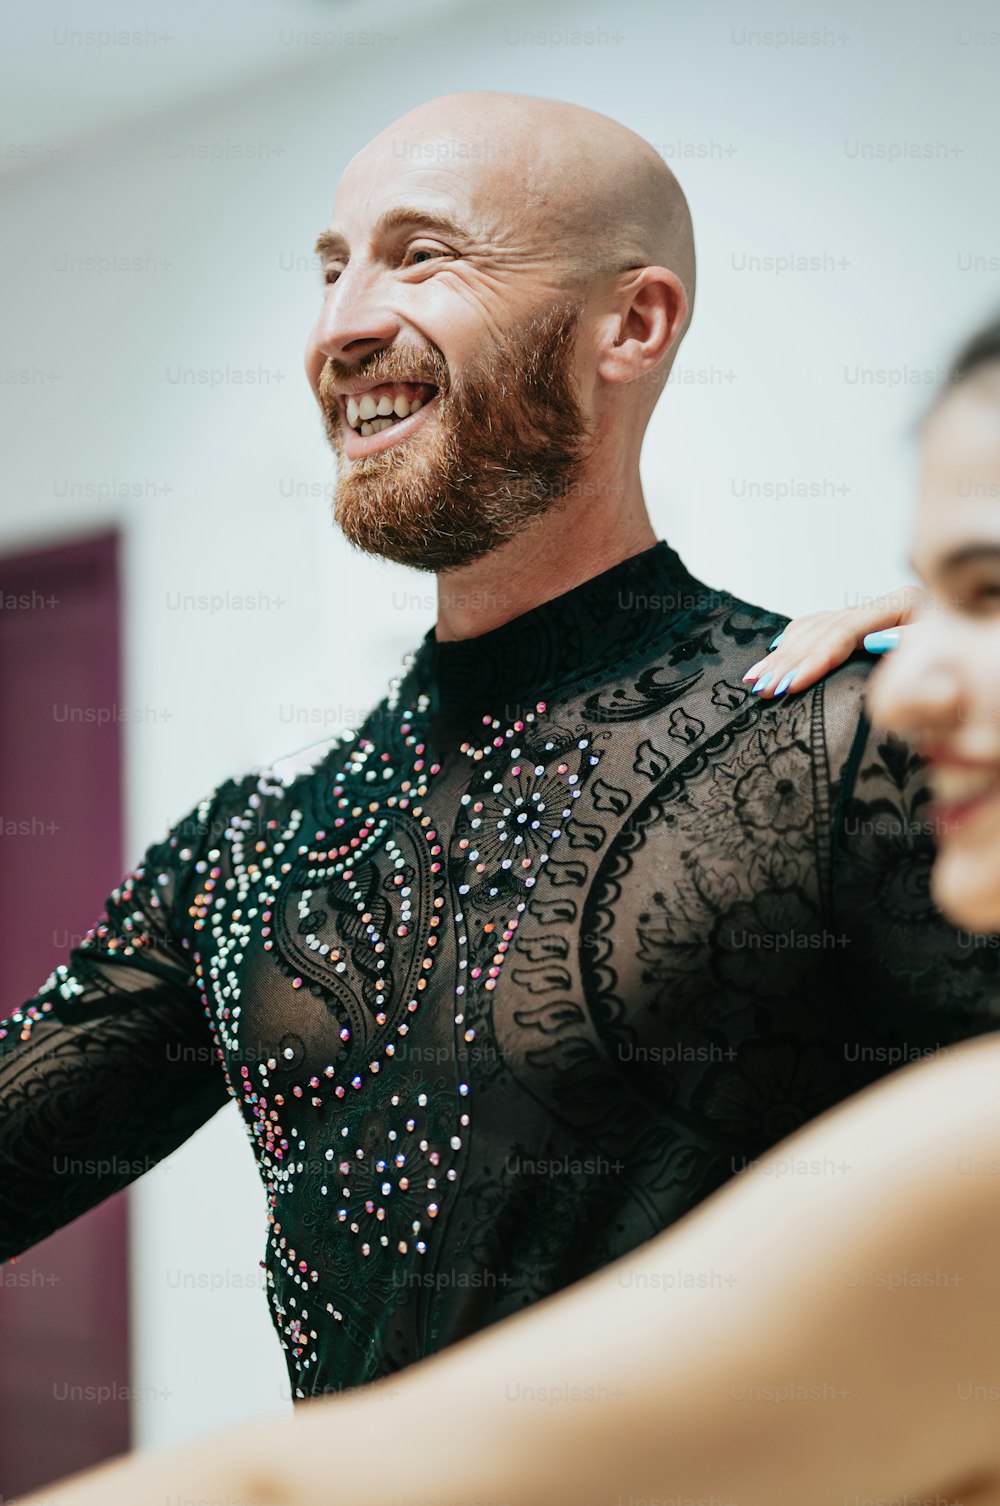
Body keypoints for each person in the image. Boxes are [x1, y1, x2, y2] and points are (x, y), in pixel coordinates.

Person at [4, 91, 1000, 1492]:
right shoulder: (253, 848)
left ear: (632, 325)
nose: (340, 321)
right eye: (330, 263)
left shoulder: (857, 745)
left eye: (421, 256)